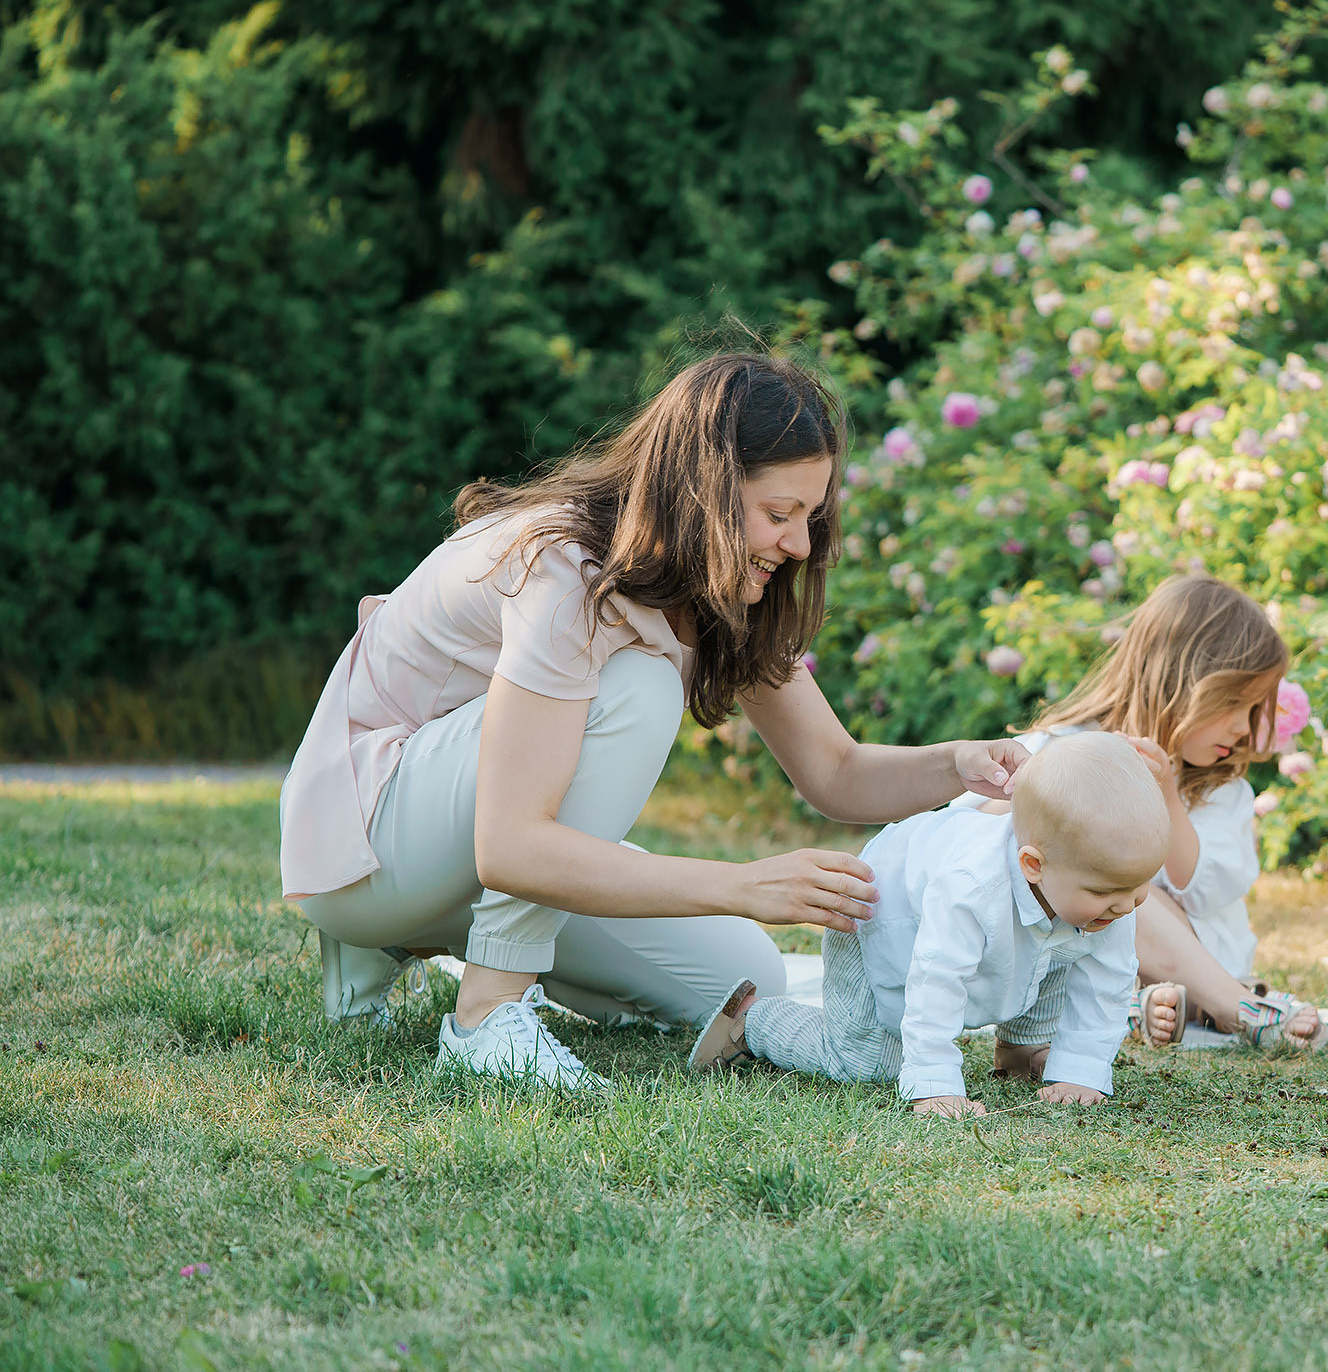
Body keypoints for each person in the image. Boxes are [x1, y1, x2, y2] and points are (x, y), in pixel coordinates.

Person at [277, 349, 1029, 1087]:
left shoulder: (721, 586)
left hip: (447, 849)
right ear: (704, 490)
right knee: (639, 689)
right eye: (778, 513)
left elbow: (836, 771)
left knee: (750, 972)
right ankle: (486, 1009)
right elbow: (509, 847)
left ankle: (419, 932)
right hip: (365, 847)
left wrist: (956, 762)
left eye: (810, 516)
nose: (799, 544)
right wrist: (744, 883)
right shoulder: (568, 567)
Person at [694, 731, 1169, 1118]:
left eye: (1140, 885)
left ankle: (1024, 1049)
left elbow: (1106, 979)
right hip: (878, 921)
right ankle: (753, 1020)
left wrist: (1081, 1070)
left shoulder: (1107, 890)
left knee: (1066, 941)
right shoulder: (970, 887)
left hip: (1015, 927)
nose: (1129, 904)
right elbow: (937, 977)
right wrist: (937, 1084)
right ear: (1033, 864)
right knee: (867, 1062)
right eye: (1108, 892)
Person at [962, 575, 1328, 1049]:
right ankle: (1147, 1007)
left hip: (1197, 962)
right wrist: (1039, 786)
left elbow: (1203, 888)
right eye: (1233, 703)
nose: (1243, 726)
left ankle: (1226, 1004)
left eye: (1254, 707)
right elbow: (963, 835)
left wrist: (1167, 795)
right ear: (1176, 679)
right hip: (1063, 958)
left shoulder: (1221, 790)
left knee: (1126, 884)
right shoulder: (1065, 745)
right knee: (1079, 868)